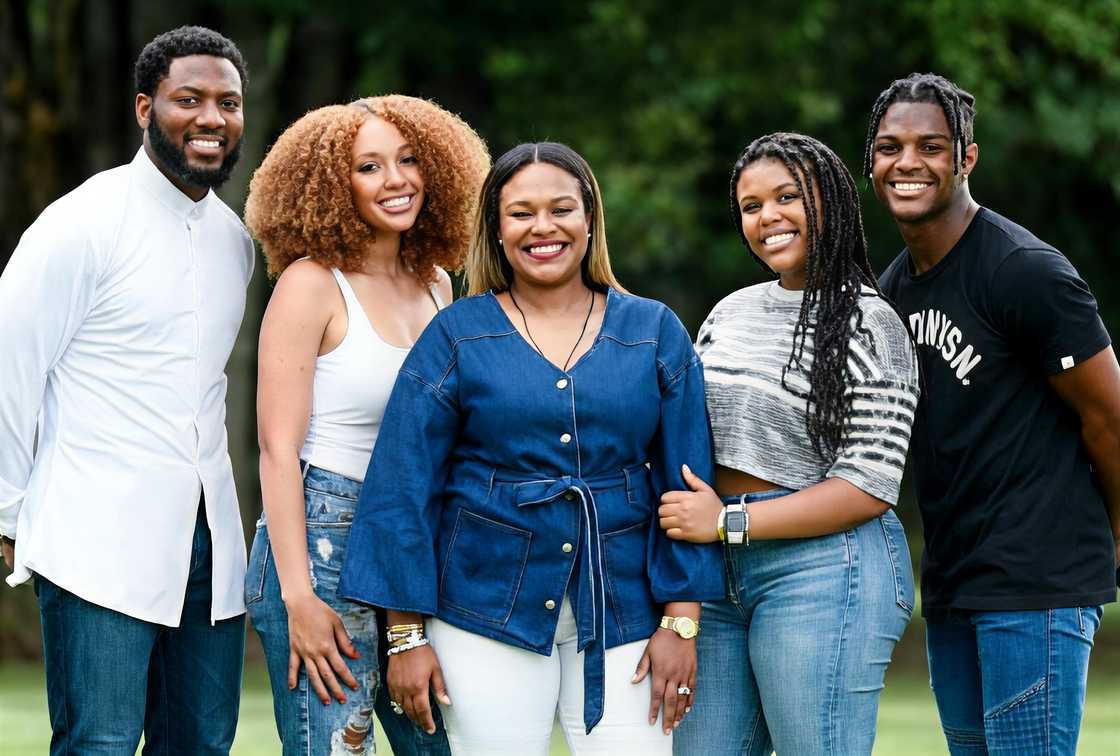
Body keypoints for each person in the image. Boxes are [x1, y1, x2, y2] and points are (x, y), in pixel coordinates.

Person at [337, 142, 725, 755]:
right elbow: (403, 487)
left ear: (590, 219)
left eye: (561, 209)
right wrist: (406, 638)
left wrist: (682, 622)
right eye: (521, 213)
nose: (543, 228)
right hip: (482, 602)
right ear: (495, 228)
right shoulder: (457, 334)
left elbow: (689, 487)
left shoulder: (654, 331)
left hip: (625, 603)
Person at [0, 26, 252, 754]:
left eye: (228, 103)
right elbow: (12, 365)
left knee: (202, 744)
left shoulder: (234, 241)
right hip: (96, 538)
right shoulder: (82, 223)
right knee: (99, 745)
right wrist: (7, 510)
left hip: (211, 547)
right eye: (189, 99)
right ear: (145, 109)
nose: (211, 118)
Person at [867, 72, 1120, 754]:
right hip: (952, 583)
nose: (908, 162)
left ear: (966, 158)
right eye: (890, 147)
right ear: (872, 165)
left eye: (931, 145)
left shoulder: (1025, 272)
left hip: (1037, 582)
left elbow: (1110, 420)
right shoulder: (890, 292)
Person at [243, 95, 488, 755]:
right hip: (324, 536)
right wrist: (297, 595)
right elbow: (276, 448)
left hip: (413, 537)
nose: (397, 180)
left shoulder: (438, 282)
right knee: (337, 748)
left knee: (440, 744)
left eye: (408, 160)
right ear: (330, 185)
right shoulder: (311, 284)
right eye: (369, 167)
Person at [661, 132, 919, 755]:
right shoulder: (730, 311)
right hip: (717, 576)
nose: (767, 218)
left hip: (826, 569)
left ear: (828, 202)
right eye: (751, 207)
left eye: (787, 198)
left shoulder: (871, 323)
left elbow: (869, 485)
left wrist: (727, 521)